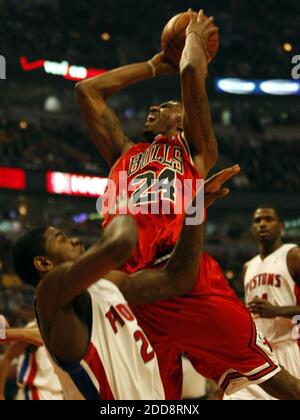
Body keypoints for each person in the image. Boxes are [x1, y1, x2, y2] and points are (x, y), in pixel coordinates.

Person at [75, 8, 300, 400]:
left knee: (275, 380)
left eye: (164, 106)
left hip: (181, 277)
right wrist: (152, 65)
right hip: (131, 281)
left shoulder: (195, 152)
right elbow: (87, 92)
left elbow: (191, 75)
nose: (152, 109)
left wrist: (193, 38)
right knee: (153, 400)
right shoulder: (124, 152)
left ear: (181, 118)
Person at [11, 170, 234, 400]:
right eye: (62, 239)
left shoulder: (106, 283)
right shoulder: (51, 292)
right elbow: (120, 244)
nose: (75, 239)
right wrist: (123, 196)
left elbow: (179, 279)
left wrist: (195, 209)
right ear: (44, 263)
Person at [225, 206, 300, 400]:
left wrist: (277, 310)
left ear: (281, 226)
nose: (262, 224)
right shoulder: (248, 266)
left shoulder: (293, 256)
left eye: (268, 219)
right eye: (257, 221)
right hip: (258, 349)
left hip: (287, 348)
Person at [0, 320, 63, 400]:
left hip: (58, 393)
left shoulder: (70, 328)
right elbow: (9, 356)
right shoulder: (37, 325)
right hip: (36, 393)